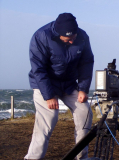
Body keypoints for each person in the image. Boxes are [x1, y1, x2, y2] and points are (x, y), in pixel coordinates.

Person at [24, 13, 94, 160]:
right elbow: (39, 69)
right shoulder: (41, 36)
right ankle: (32, 158)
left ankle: (82, 157)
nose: (71, 41)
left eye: (73, 37)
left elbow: (86, 63)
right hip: (45, 84)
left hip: (69, 84)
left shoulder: (82, 36)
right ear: (58, 33)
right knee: (48, 119)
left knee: (85, 113)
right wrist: (49, 96)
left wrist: (83, 88)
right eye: (68, 39)